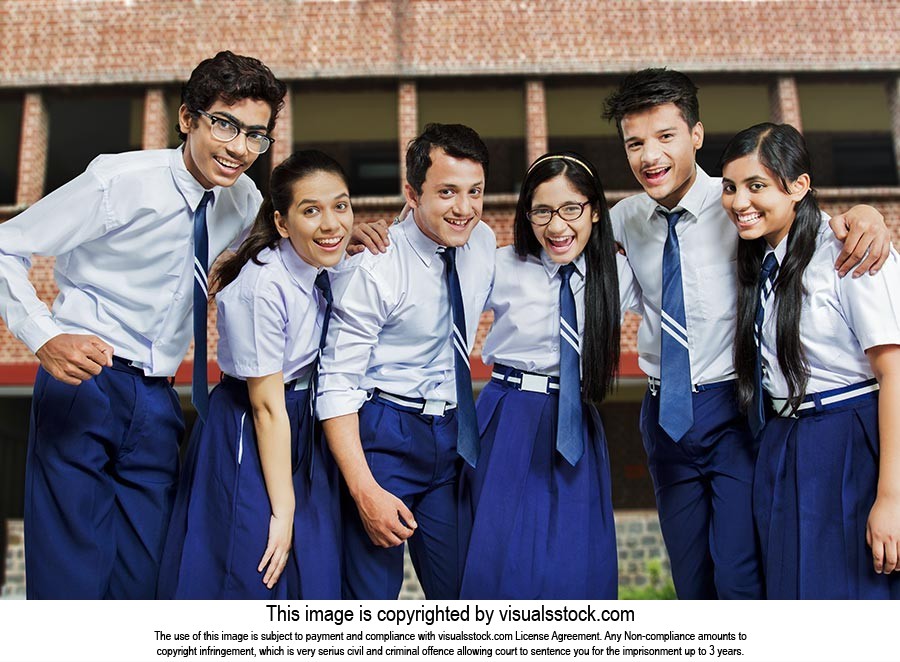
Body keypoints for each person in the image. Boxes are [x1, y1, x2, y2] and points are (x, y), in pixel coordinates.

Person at [0, 51, 286, 599]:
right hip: (86, 384)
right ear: (187, 118)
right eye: (225, 124)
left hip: (159, 401)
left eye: (255, 134)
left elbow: (285, 243)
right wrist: (44, 336)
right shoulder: (119, 180)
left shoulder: (244, 198)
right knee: (71, 577)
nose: (239, 148)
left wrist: (358, 242)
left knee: (147, 578)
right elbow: (7, 248)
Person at [602, 67, 890, 599]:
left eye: (665, 137)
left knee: (741, 575)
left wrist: (866, 215)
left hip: (733, 409)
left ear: (696, 135)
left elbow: (806, 222)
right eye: (635, 143)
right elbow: (558, 240)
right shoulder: (623, 220)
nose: (650, 156)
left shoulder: (738, 204)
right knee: (692, 581)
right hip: (664, 413)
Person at [157, 150, 349, 599]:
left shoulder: (322, 261)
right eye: (311, 210)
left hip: (303, 418)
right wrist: (282, 511)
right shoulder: (261, 287)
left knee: (312, 575)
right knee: (252, 566)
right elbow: (265, 407)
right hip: (253, 421)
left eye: (340, 206)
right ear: (282, 223)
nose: (331, 223)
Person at [722, 122, 900, 599]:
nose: (740, 202)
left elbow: (894, 375)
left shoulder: (851, 253)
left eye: (757, 186)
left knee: (851, 597)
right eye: (730, 187)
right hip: (782, 442)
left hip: (850, 438)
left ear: (799, 186)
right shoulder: (759, 261)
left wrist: (891, 499)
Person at [317, 123, 495, 599]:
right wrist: (364, 490)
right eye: (447, 192)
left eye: (474, 191)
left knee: (465, 595)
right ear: (412, 194)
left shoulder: (482, 245)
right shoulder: (374, 266)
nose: (464, 208)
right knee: (369, 603)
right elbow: (335, 386)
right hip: (382, 435)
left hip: (453, 436)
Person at [458, 152, 641, 599]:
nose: (557, 226)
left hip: (574, 420)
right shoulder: (502, 264)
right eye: (542, 211)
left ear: (595, 211)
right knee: (499, 556)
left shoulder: (615, 272)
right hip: (509, 414)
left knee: (576, 562)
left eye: (571, 209)